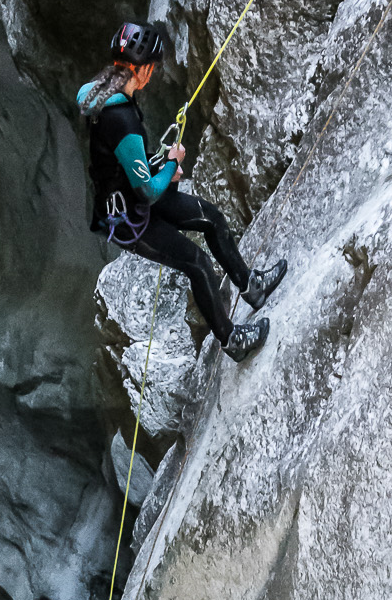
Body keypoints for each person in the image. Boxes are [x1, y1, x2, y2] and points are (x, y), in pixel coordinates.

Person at [77, 21, 286, 363]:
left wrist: (159, 166)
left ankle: (252, 286)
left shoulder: (100, 91)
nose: (155, 73)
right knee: (198, 264)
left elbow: (124, 163)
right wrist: (171, 165)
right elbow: (148, 192)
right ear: (141, 69)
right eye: (154, 67)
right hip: (129, 220)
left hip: (128, 198)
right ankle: (231, 340)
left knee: (212, 218)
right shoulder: (122, 119)